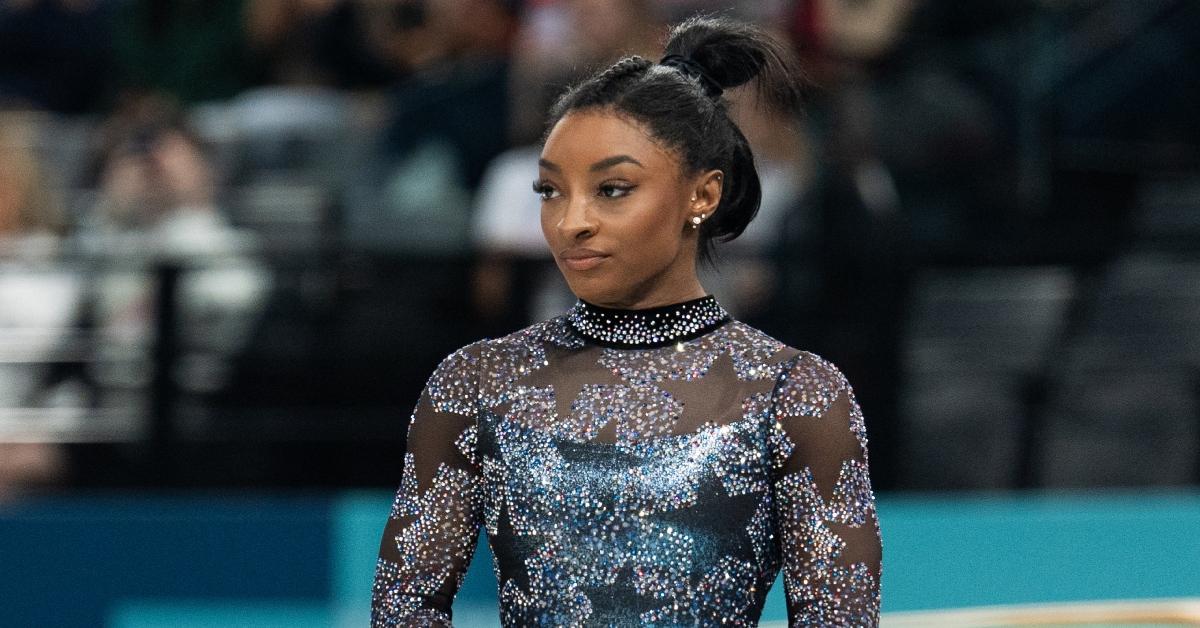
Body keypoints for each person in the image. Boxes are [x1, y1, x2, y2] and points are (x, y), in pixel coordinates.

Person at [371, 15, 883, 627]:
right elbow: (404, 610)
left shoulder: (793, 395)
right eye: (550, 191)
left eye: (612, 189)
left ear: (702, 195)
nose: (571, 222)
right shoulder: (478, 383)